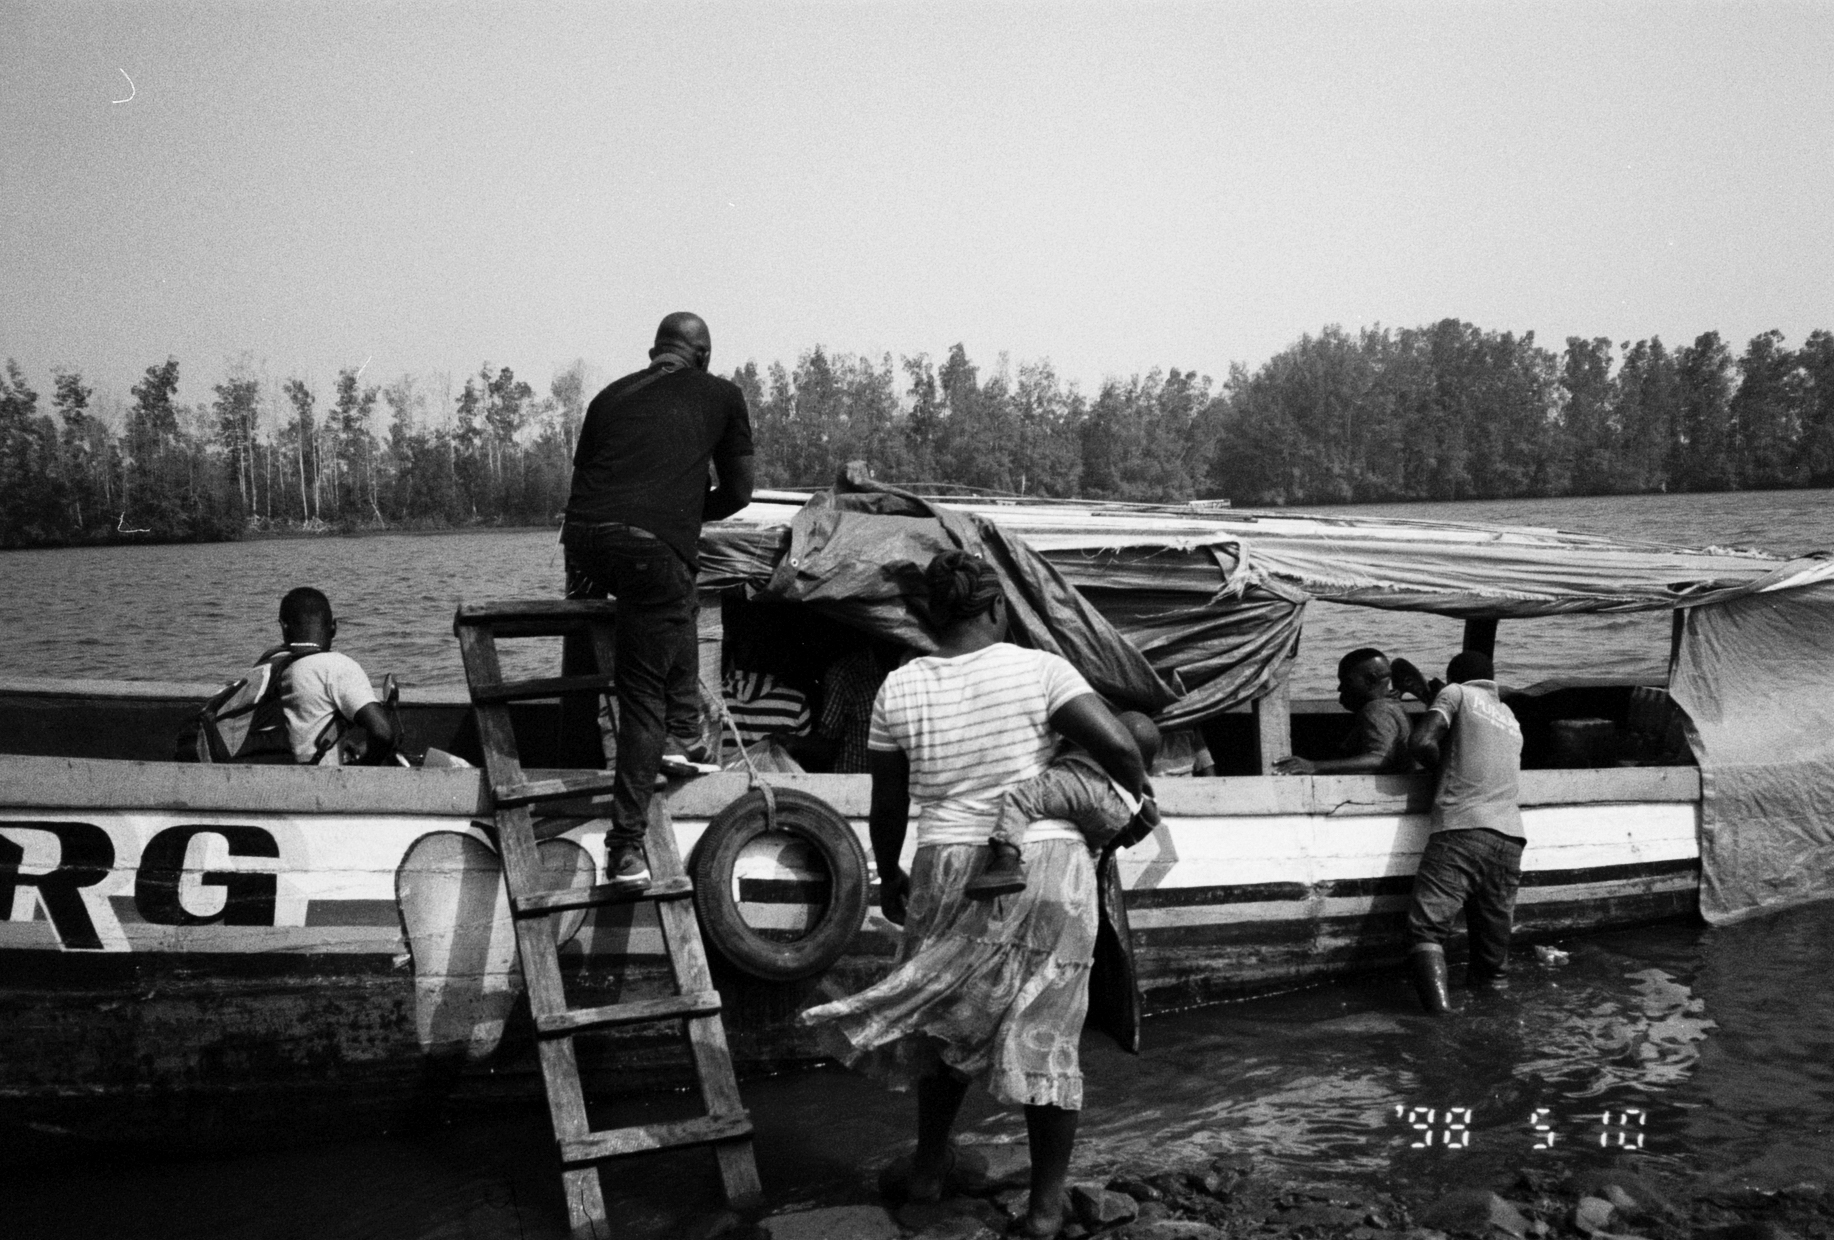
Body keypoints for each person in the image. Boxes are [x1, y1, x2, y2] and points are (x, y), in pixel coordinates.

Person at [798, 551, 1148, 1240]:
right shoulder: (1038, 667)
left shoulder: (898, 686)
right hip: (1044, 860)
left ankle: (930, 1168)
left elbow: (888, 801)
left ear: (930, 614)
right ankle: (1045, 1209)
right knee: (1046, 1025)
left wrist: (890, 873)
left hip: (942, 860)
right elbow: (1120, 746)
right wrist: (1131, 804)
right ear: (994, 608)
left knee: (941, 1020)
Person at [561, 312, 755, 886]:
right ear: (705, 357)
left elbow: (595, 483)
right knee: (640, 692)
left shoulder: (608, 395)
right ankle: (624, 847)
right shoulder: (721, 394)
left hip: (585, 542)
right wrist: (686, 513)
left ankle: (689, 730)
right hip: (649, 552)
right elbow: (740, 492)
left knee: (678, 596)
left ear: (655, 352)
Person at [1404, 650, 1524, 1013]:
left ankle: (1439, 1022)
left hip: (1462, 828)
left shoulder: (1456, 693)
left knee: (1425, 930)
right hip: (1510, 839)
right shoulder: (1509, 717)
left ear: (1454, 676)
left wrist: (1442, 769)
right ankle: (1494, 1020)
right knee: (1492, 960)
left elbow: (1421, 742)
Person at [965, 711, 1162, 899]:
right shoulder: (1139, 779)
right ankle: (1088, 891)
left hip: (1085, 784)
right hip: (1119, 812)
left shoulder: (1102, 737)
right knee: (1093, 851)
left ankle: (1005, 861)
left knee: (1021, 800)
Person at [274, 587, 395, 765]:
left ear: (282, 625)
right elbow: (383, 733)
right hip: (321, 785)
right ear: (334, 626)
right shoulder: (336, 666)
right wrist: (364, 767)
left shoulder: (270, 665)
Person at [1274, 647, 1413, 776]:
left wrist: (1314, 766)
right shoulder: (1391, 705)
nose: (1339, 688)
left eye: (1347, 681)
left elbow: (1379, 758)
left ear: (1371, 679)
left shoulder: (1376, 709)